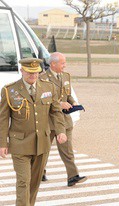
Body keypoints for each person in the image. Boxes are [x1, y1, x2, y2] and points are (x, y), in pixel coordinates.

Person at [0, 58, 67, 206]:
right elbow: (3, 119)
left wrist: (61, 131)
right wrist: (2, 143)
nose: (33, 76)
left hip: (42, 143)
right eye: (30, 73)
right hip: (20, 144)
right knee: (24, 181)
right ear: (22, 71)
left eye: (36, 73)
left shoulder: (49, 88)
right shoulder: (9, 90)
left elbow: (56, 112)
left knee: (35, 182)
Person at [39, 52, 87, 186]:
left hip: (64, 121)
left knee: (67, 151)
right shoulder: (42, 78)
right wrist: (59, 104)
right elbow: (41, 99)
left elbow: (67, 94)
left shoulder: (66, 76)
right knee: (43, 151)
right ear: (53, 64)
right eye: (62, 63)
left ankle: (73, 176)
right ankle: (39, 172)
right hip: (48, 121)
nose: (65, 66)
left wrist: (74, 102)